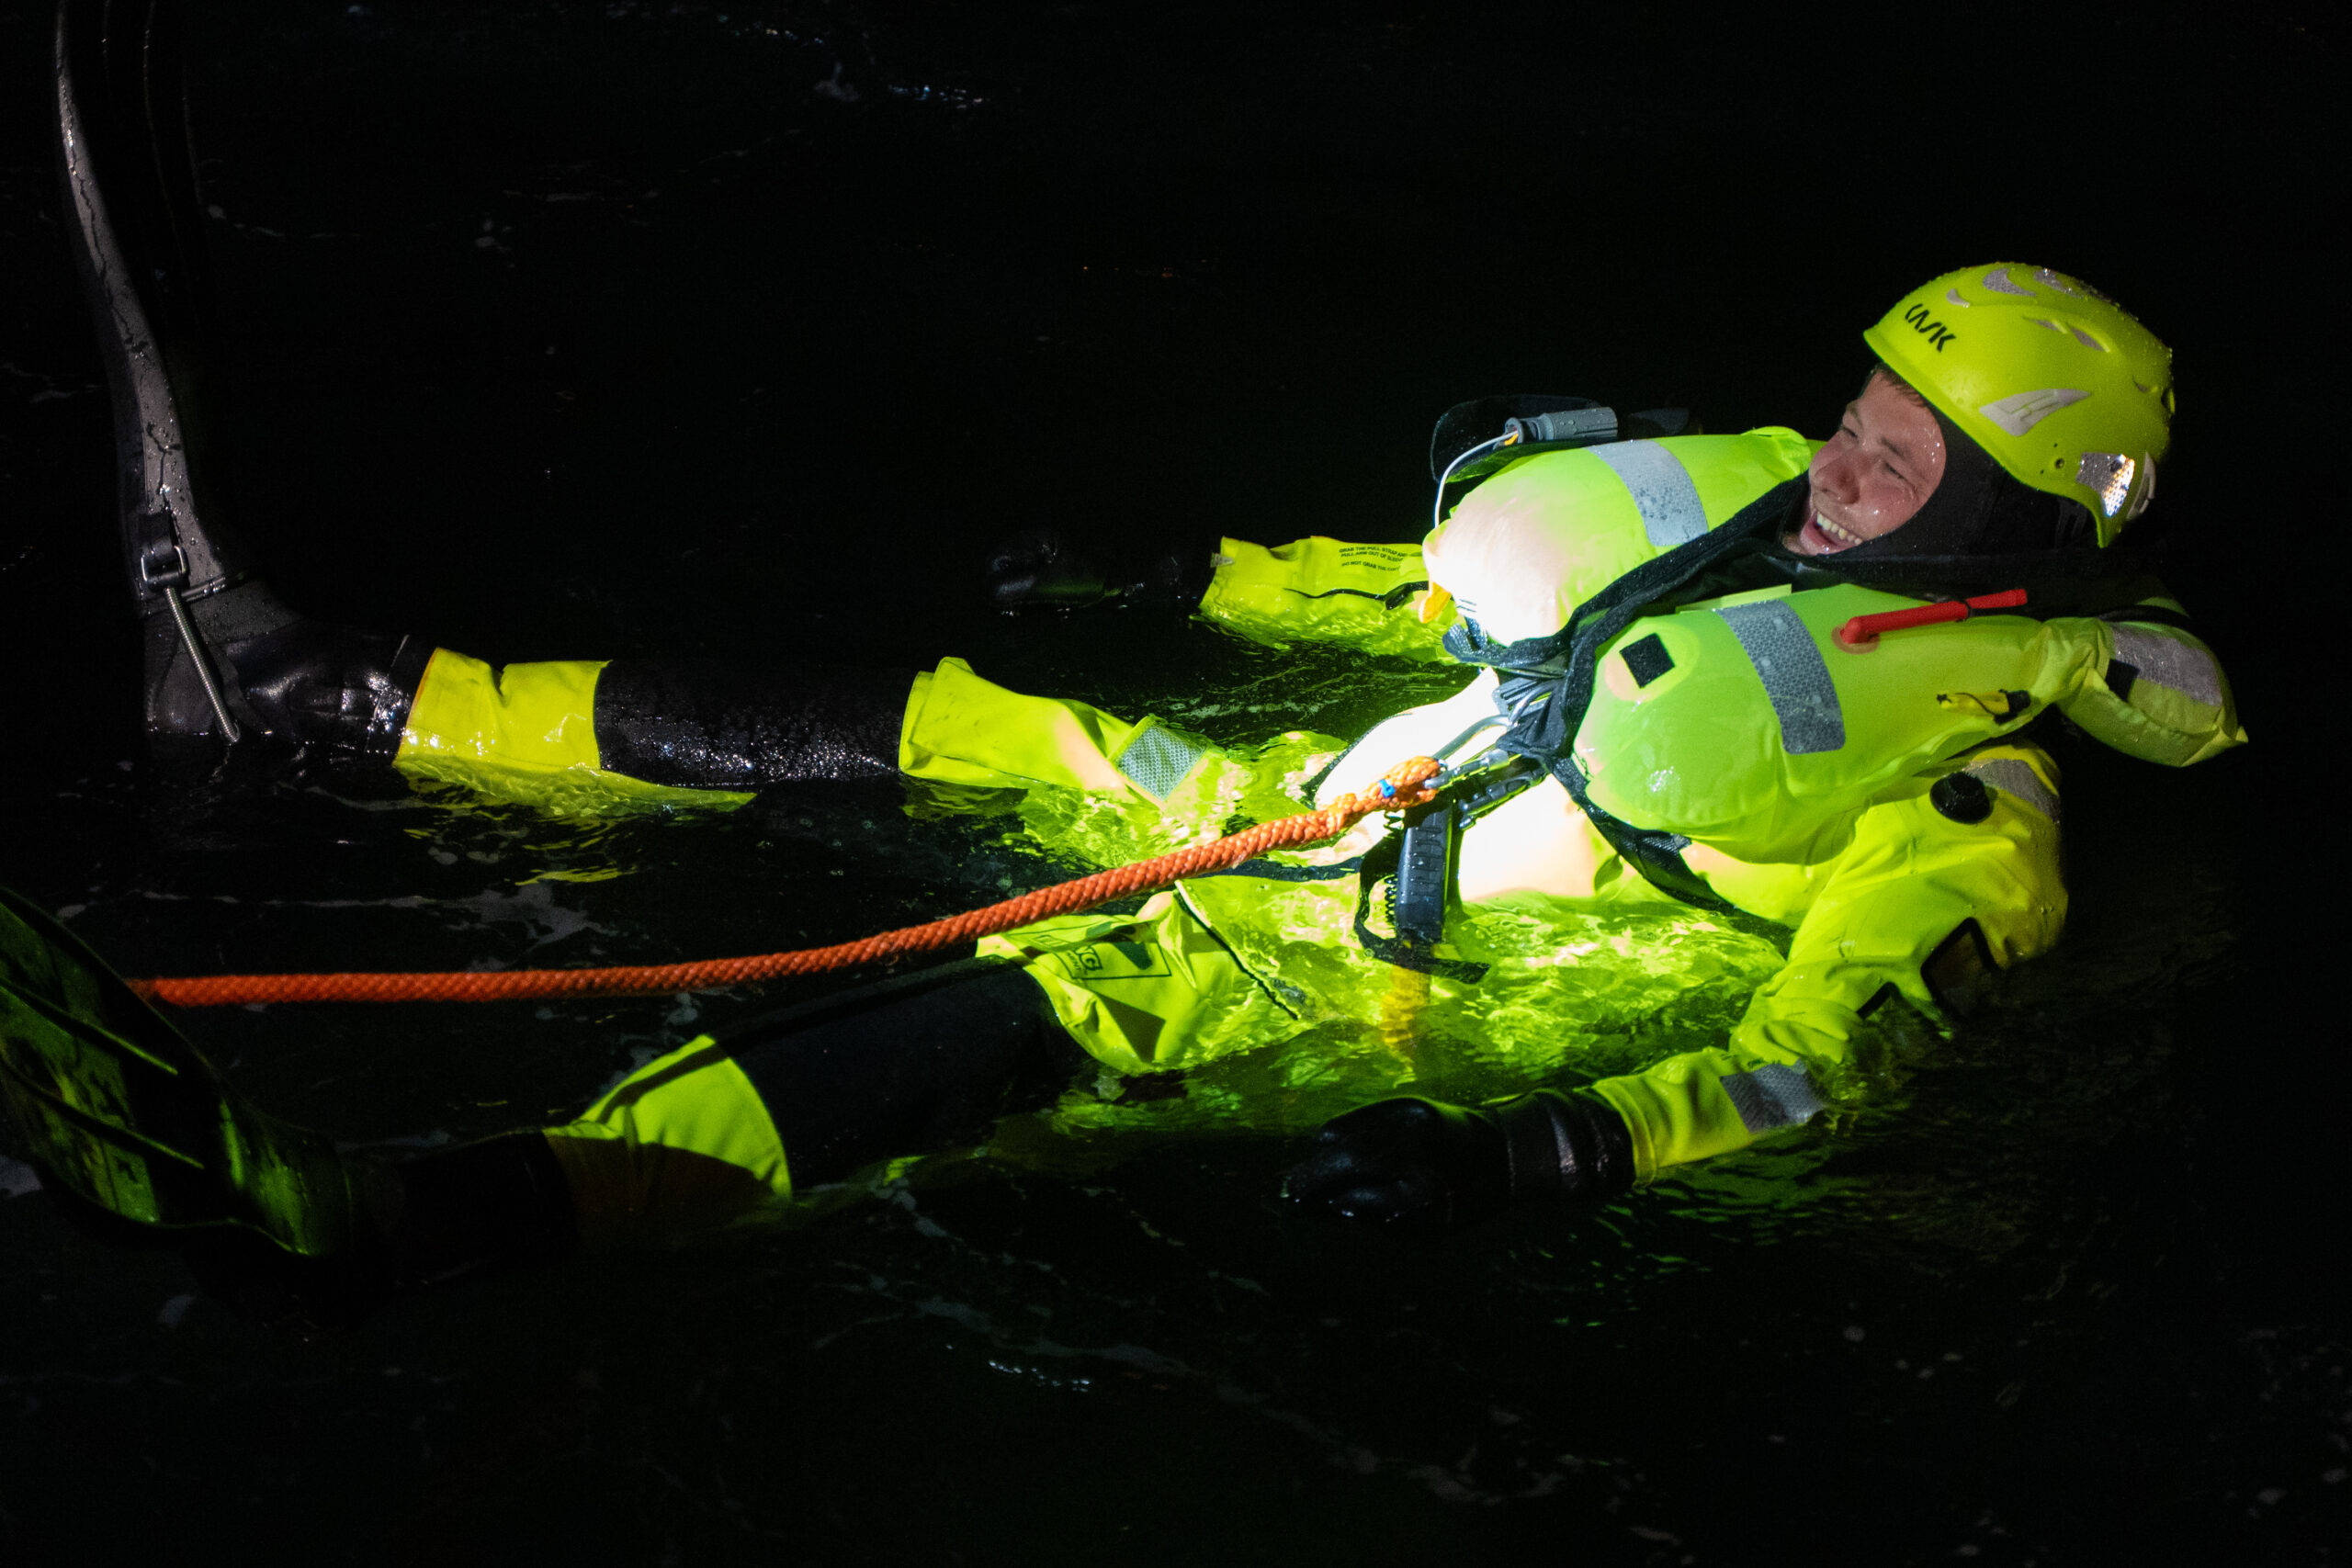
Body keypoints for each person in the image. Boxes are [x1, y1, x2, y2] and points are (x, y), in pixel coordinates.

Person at [2, 0, 2244, 1325]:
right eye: (1857, 415)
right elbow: (1437, 596)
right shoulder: (1764, 502)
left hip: (1386, 971)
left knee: (1033, 1003)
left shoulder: (1964, 814)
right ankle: (338, 695)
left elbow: (1805, 1069)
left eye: (1897, 456)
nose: (1843, 460)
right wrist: (1187, 566)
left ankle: (437, 1218)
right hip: (1351, 801)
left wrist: (1535, 1154)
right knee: (1009, 723)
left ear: (1999, 526)